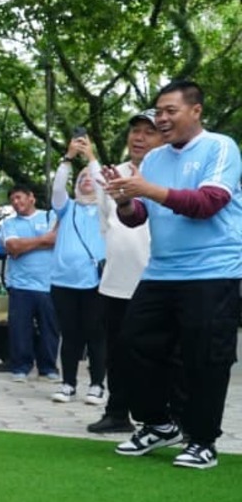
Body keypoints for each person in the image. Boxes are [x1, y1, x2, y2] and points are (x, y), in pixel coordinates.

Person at [106, 81, 242, 469]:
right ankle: (159, 423)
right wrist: (126, 200)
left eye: (170, 111)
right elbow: (137, 218)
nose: (161, 119)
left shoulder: (220, 147)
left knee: (204, 358)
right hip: (162, 270)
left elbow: (209, 203)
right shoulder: (155, 159)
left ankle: (202, 441)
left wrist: (147, 188)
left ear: (196, 111)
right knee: (132, 344)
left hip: (213, 269)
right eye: (158, 111)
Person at [85, 110, 161, 434]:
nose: (139, 138)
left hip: (156, 280)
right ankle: (117, 412)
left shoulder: (167, 174)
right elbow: (106, 221)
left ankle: (159, 416)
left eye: (148, 132)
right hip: (116, 279)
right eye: (135, 131)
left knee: (155, 353)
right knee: (116, 350)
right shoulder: (114, 174)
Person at [48, 135, 107, 404]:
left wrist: (92, 158)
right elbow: (58, 187)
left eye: (90, 177)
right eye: (81, 177)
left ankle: (97, 384)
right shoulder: (66, 208)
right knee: (70, 336)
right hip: (64, 281)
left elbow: (104, 186)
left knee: (96, 334)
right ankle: (68, 383)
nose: (86, 179)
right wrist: (69, 158)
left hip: (95, 282)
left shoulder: (107, 209)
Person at [0, 184, 60, 383]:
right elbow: (13, 246)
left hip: (49, 283)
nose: (16, 202)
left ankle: (48, 367)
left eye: (20, 197)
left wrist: (27, 244)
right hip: (20, 284)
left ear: (31, 197)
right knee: (20, 328)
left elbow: (56, 239)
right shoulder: (9, 224)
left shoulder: (50, 217)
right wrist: (42, 240)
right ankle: (21, 366)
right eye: (13, 199)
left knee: (50, 328)